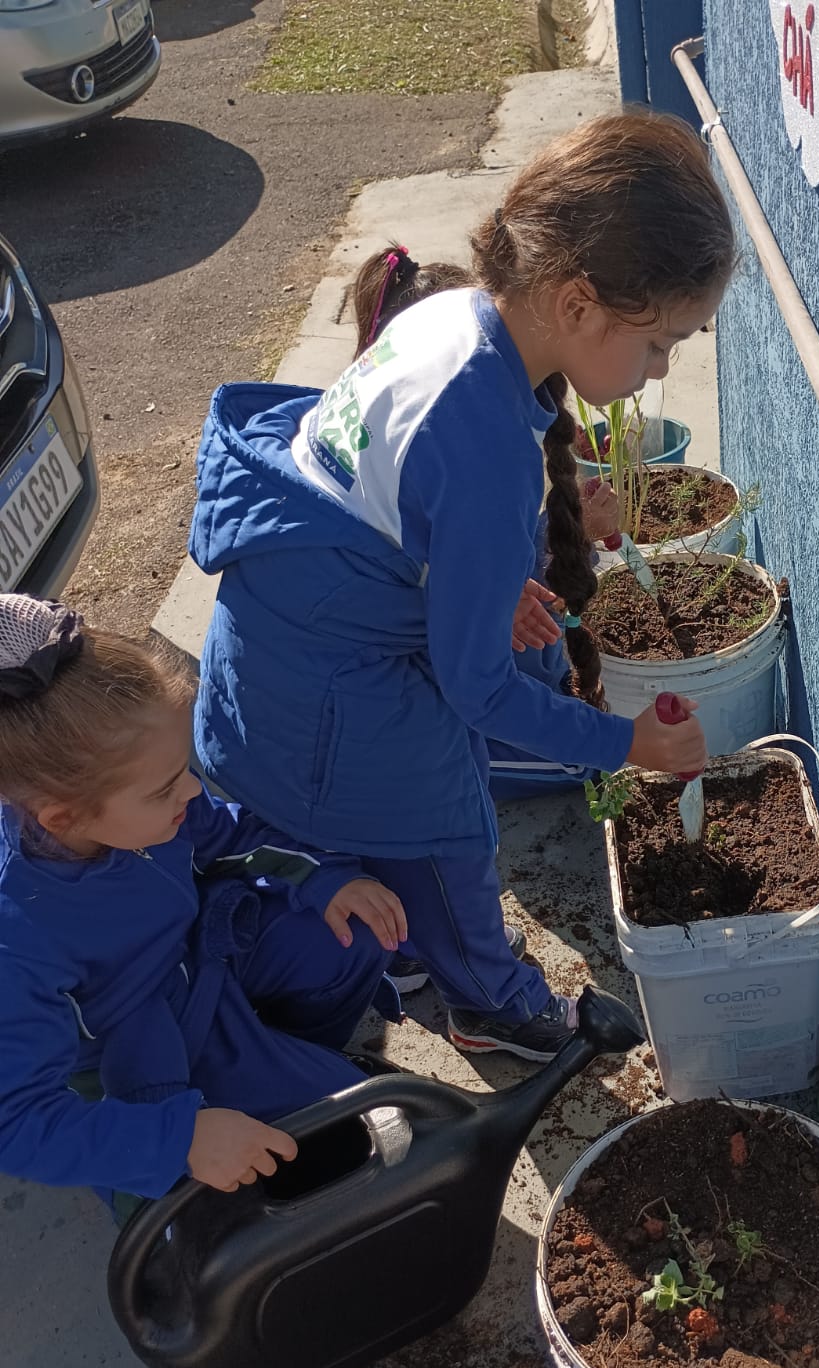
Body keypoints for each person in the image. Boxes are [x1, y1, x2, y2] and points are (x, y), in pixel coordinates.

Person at [189, 108, 732, 1064]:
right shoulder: (483, 441)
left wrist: (491, 575)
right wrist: (627, 742)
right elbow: (476, 688)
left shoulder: (458, 317)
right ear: (578, 304)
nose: (662, 369)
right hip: (323, 699)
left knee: (412, 797)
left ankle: (396, 954)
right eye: (660, 343)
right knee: (446, 823)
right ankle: (491, 1003)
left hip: (281, 644)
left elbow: (400, 502)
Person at [0, 595, 408, 1207]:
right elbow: (16, 1122)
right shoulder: (17, 935)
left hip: (205, 952)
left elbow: (230, 833)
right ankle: (260, 1090)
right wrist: (178, 1138)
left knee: (356, 933)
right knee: (358, 1138)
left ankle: (293, 1054)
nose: (192, 790)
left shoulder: (137, 802)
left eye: (184, 769)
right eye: (166, 787)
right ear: (63, 818)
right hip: (144, 1039)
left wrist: (324, 880)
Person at [350, 243, 623, 804]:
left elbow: (496, 571)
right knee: (585, 762)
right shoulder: (460, 457)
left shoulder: (426, 447)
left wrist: (557, 549)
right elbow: (473, 672)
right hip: (434, 714)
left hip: (480, 672)